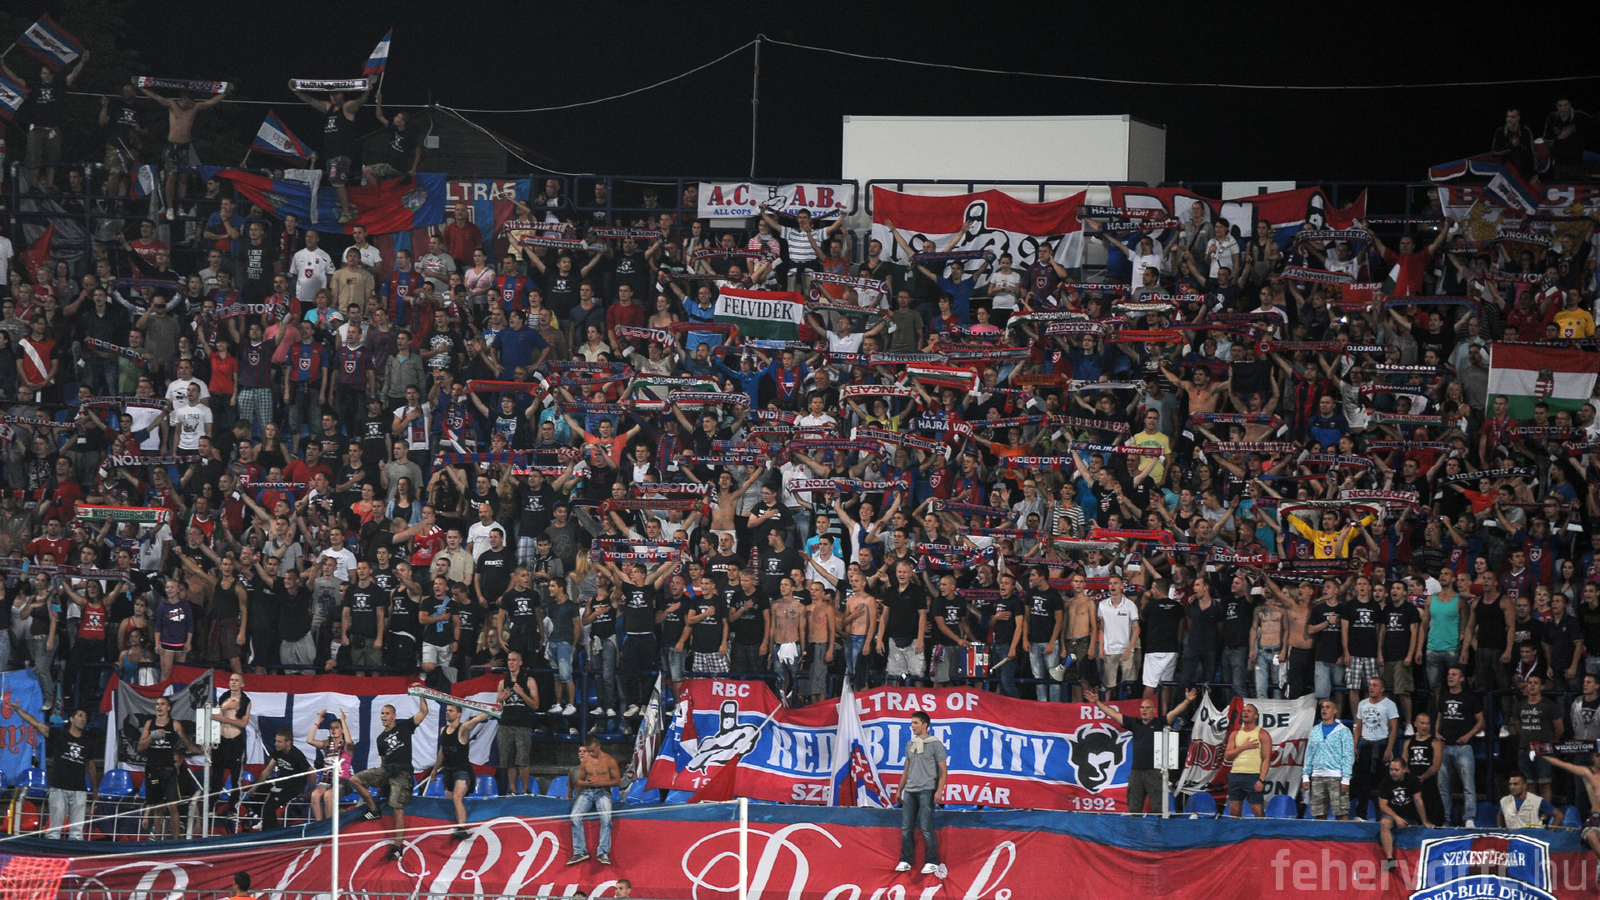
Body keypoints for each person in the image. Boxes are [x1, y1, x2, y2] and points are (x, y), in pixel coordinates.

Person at [1088, 685, 1196, 814]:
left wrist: (1187, 701)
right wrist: (1097, 702)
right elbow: (1113, 714)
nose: (1144, 710)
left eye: (1148, 708)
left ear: (1154, 710)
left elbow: (1175, 713)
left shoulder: (1159, 723)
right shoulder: (1135, 723)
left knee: (1159, 809)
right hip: (1136, 772)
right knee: (1134, 809)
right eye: (1142, 707)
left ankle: (1159, 827)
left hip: (1154, 772)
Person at [4, 701, 93, 839]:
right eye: (80, 716)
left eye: (85, 717)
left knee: (77, 833)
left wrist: (95, 788)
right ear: (72, 719)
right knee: (54, 831)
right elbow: (36, 723)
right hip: (59, 788)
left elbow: (91, 765)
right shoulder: (59, 735)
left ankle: (76, 851)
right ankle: (51, 850)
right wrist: (17, 709)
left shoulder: (88, 741)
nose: (83, 719)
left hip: (79, 789)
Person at [353, 698, 429, 860]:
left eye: (387, 713)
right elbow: (383, 762)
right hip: (386, 770)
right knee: (354, 780)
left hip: (402, 773)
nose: (383, 716)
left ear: (394, 716)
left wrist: (421, 695)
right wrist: (382, 782)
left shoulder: (404, 727)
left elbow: (424, 712)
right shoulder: (380, 739)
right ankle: (374, 810)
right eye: (382, 713)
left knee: (396, 807)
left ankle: (397, 847)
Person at [139, 695, 203, 840]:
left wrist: (204, 752)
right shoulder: (150, 724)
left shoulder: (175, 724)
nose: (159, 706)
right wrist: (152, 736)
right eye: (157, 704)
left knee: (173, 807)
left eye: (162, 704)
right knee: (158, 808)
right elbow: (140, 747)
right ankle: (158, 841)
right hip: (153, 769)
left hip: (169, 770)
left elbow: (187, 744)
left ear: (168, 708)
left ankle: (175, 841)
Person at [895, 710, 947, 879]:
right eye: (912, 723)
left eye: (915, 723)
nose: (912, 726)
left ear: (925, 725)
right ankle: (906, 859)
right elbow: (907, 768)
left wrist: (939, 790)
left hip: (927, 790)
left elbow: (943, 770)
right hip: (910, 790)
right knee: (906, 828)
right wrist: (900, 789)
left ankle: (932, 860)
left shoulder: (936, 744)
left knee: (926, 827)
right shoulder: (910, 744)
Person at [435, 703, 491, 840]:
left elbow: (478, 719)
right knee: (450, 803)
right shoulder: (443, 730)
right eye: (447, 710)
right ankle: (454, 828)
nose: (447, 712)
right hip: (448, 771)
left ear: (458, 714)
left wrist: (493, 709)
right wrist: (434, 770)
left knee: (457, 797)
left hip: (462, 770)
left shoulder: (463, 728)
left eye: (451, 711)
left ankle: (461, 828)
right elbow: (441, 753)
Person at [242, 727, 311, 831]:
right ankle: (263, 818)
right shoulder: (278, 752)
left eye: (279, 742)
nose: (276, 744)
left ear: (288, 743)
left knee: (270, 807)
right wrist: (254, 787)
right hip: (280, 782)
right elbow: (267, 770)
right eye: (276, 741)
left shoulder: (297, 755)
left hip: (293, 787)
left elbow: (312, 773)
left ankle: (270, 831)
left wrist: (308, 791)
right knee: (254, 790)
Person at [568, 736, 620, 867]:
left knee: (606, 819)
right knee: (574, 816)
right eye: (588, 751)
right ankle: (580, 851)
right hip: (588, 791)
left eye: (592, 750)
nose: (590, 753)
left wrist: (602, 783)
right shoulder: (586, 761)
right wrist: (587, 783)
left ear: (598, 746)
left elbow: (618, 781)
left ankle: (602, 852)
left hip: (603, 792)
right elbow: (579, 781)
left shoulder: (609, 760)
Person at [1302, 698, 1355, 821]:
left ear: (1335, 711)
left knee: (1341, 812)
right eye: (1322, 707)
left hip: (1336, 776)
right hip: (1317, 776)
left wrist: (1346, 779)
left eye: (1328, 707)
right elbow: (1309, 753)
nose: (1324, 709)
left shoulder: (1343, 731)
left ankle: (1344, 834)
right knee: (1319, 813)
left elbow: (1348, 756)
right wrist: (1305, 775)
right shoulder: (1315, 731)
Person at [1377, 757, 1432, 872]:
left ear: (1404, 770)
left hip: (1409, 815)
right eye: (1391, 770)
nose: (1393, 772)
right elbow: (1383, 805)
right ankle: (1389, 859)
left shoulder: (1413, 780)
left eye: (1396, 770)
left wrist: (1424, 821)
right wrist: (1396, 817)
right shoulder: (1385, 782)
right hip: (1393, 814)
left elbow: (1418, 801)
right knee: (1384, 823)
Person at [1223, 703, 1272, 818]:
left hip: (1253, 776)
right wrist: (1243, 747)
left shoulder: (1262, 734)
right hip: (1235, 775)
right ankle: (1238, 830)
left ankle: (1262, 830)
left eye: (1249, 711)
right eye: (1244, 711)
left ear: (1256, 716)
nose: (1245, 712)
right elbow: (1227, 756)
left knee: (1258, 812)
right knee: (1234, 813)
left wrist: (1261, 779)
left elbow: (1266, 759)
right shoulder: (1235, 734)